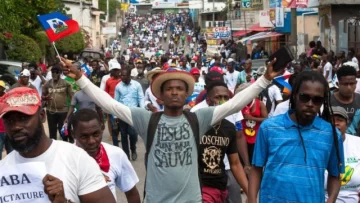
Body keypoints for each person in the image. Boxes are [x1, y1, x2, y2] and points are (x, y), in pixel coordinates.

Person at [60, 56, 279, 203]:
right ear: (160, 95)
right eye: (169, 89)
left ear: (187, 95)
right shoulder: (147, 120)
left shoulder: (199, 118)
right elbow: (110, 105)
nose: (174, 92)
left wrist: (265, 79)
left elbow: (234, 103)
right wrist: (80, 78)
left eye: (179, 89)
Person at [0, 87, 116, 203]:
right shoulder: (3, 169)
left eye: (23, 118)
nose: (16, 127)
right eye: (9, 121)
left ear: (42, 116)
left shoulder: (77, 159)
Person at [248, 71, 345, 203]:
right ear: (294, 96)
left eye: (317, 99)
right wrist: (252, 199)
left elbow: (335, 174)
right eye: (305, 97)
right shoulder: (269, 128)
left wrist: (331, 199)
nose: (310, 104)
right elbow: (257, 168)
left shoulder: (331, 134)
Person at [191, 81, 248, 203]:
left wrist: (250, 193)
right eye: (218, 97)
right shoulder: (196, 121)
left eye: (226, 97)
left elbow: (235, 163)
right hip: (201, 186)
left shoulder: (229, 127)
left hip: (221, 183)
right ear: (208, 100)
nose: (222, 101)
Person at [72, 109, 141, 203]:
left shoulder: (116, 154)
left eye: (96, 134)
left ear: (102, 129)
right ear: (73, 134)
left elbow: (132, 194)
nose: (91, 141)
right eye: (84, 136)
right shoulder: (64, 158)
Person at [325, 106, 360, 202]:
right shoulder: (317, 145)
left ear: (347, 123)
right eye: (331, 120)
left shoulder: (358, 143)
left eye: (340, 120)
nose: (335, 123)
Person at [114, 68, 145, 160]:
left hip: (133, 113)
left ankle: (133, 149)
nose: (122, 77)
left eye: (124, 75)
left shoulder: (137, 85)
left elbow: (140, 98)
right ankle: (126, 154)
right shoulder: (118, 86)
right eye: (121, 75)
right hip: (122, 113)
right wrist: (115, 115)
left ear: (129, 75)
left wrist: (142, 111)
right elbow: (116, 101)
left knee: (133, 133)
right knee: (123, 134)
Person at [42, 65, 73, 142]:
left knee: (63, 132)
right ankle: (53, 149)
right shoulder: (47, 84)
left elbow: (72, 97)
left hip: (63, 111)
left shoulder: (66, 83)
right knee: (52, 133)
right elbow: (43, 96)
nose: (54, 74)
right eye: (53, 72)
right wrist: (45, 99)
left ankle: (65, 146)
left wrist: (70, 109)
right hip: (50, 111)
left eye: (56, 72)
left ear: (60, 73)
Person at [238, 83, 268, 162]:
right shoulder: (239, 104)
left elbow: (266, 119)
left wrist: (252, 118)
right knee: (242, 159)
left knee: (254, 160)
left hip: (256, 136)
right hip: (242, 136)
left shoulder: (260, 104)